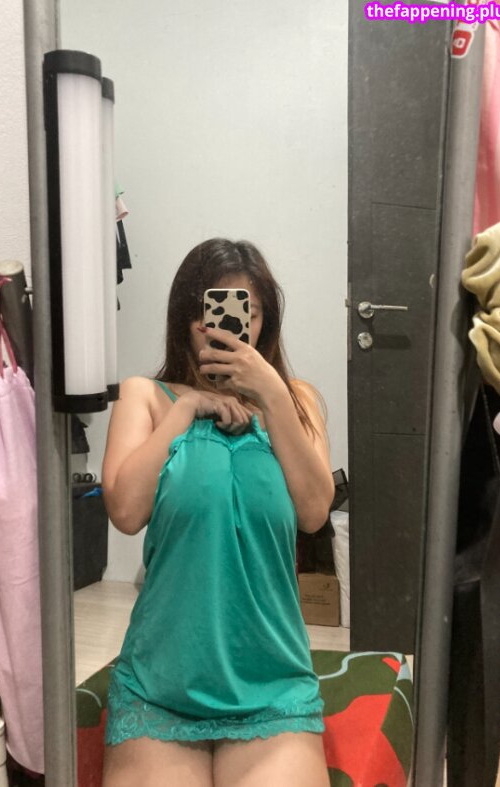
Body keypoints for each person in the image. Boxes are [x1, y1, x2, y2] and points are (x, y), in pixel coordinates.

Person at [101, 238, 335, 787]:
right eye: (219, 310)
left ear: (266, 322)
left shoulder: (295, 400)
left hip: (273, 682)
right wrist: (185, 409)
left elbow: (313, 512)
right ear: (189, 319)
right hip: (160, 684)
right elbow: (125, 511)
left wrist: (271, 394)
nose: (235, 326)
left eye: (250, 312)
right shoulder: (146, 396)